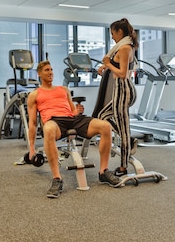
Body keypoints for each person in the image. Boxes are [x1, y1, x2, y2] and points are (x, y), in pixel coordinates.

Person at [27, 60, 121, 199]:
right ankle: (57, 179)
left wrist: (77, 111)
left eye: (51, 69)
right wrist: (32, 149)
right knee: (48, 129)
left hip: (73, 119)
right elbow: (33, 123)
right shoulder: (35, 94)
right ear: (39, 74)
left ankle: (103, 172)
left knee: (105, 126)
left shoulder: (63, 90)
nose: (50, 72)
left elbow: (72, 110)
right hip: (55, 121)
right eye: (47, 70)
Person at [97, 18, 138, 177]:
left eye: (113, 33)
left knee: (124, 127)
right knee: (102, 116)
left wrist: (107, 62)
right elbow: (117, 64)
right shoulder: (120, 48)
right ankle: (128, 138)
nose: (112, 37)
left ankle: (123, 167)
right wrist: (105, 65)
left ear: (120, 32)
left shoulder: (125, 48)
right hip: (118, 91)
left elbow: (122, 74)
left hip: (123, 90)